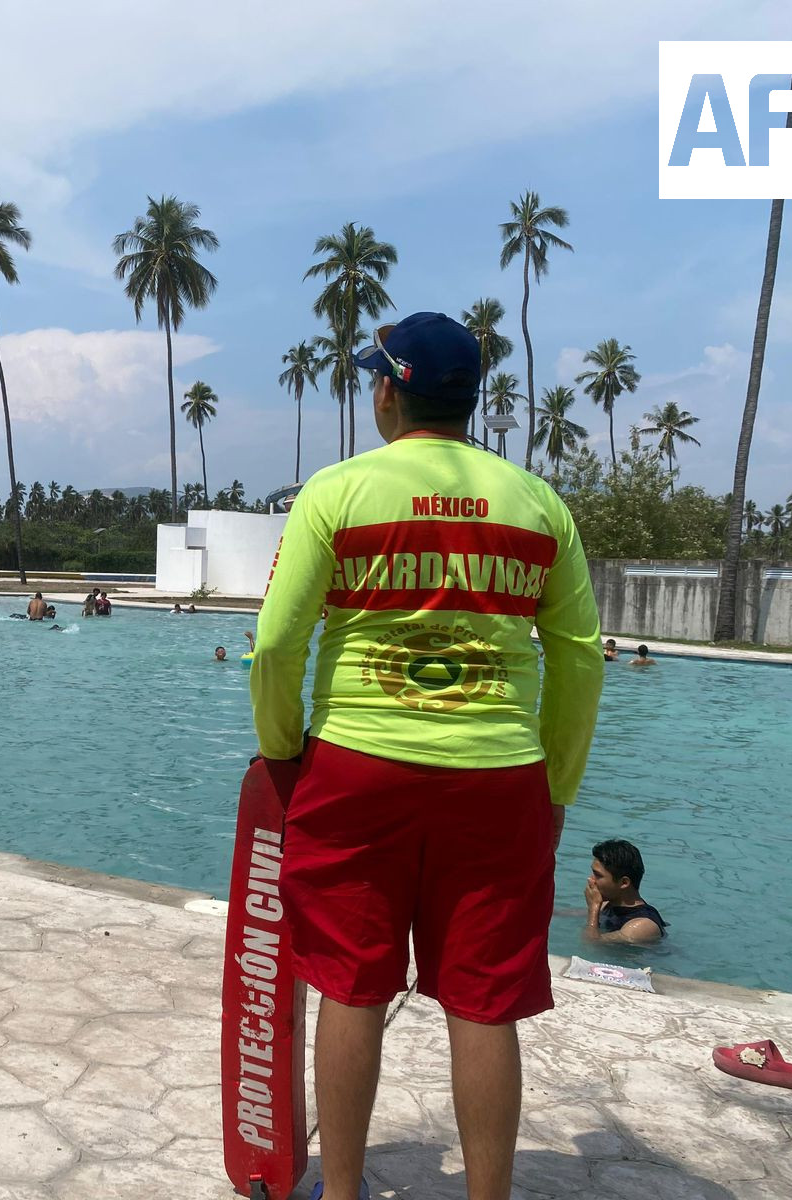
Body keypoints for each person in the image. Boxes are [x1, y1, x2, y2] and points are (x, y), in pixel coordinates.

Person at [249, 311, 603, 1200]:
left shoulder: (337, 492)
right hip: (499, 777)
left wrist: (283, 754)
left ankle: (341, 1193)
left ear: (388, 391)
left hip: (356, 767)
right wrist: (556, 784)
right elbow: (580, 660)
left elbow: (277, 645)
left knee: (351, 985)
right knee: (484, 1001)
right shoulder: (539, 504)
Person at [584, 840, 667, 944]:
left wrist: (593, 907)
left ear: (624, 882)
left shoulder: (643, 925)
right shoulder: (608, 905)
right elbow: (577, 914)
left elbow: (591, 943)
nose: (591, 880)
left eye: (598, 875)